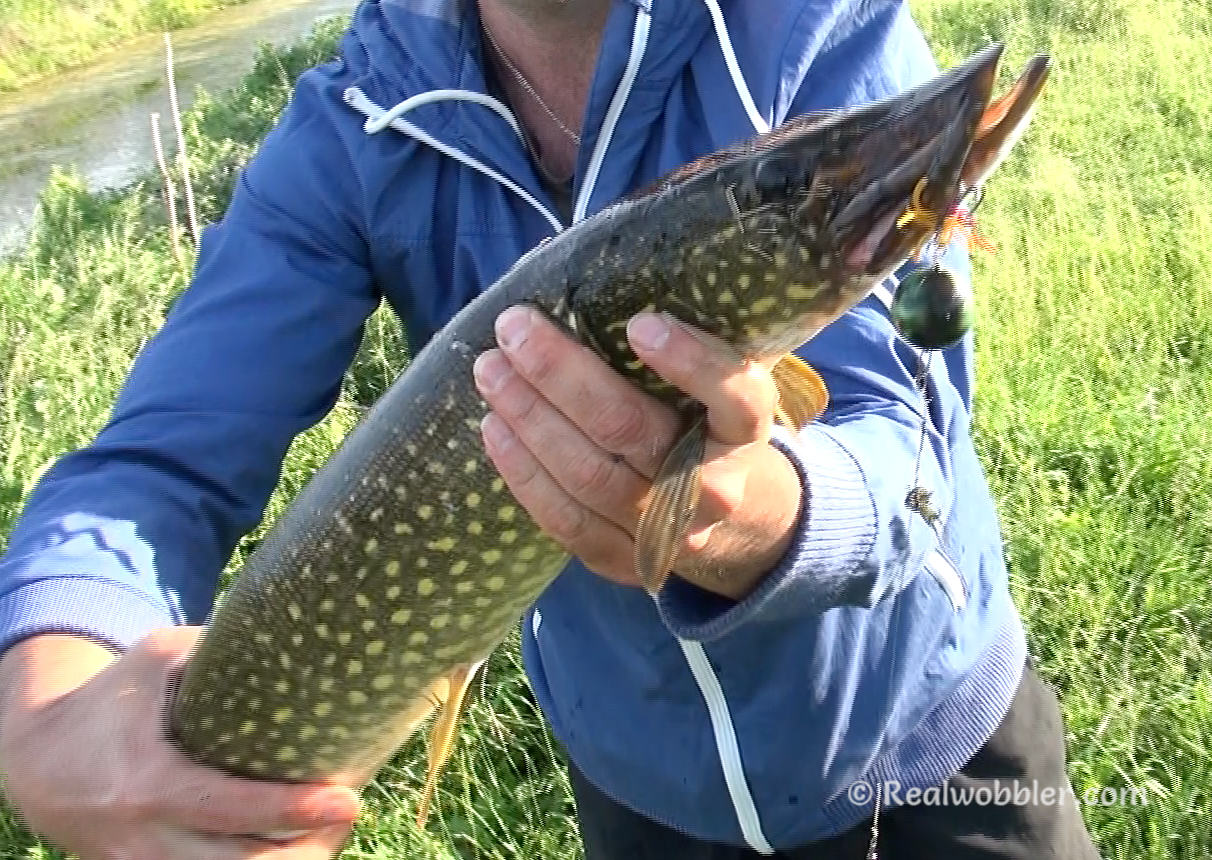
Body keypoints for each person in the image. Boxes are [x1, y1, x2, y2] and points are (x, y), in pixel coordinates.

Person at [0, 1, 1102, 858]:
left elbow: (908, 439)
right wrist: (47, 694)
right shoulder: (353, 129)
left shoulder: (807, 26)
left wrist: (766, 515)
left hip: (931, 746)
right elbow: (153, 465)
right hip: (639, 792)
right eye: (784, 190)